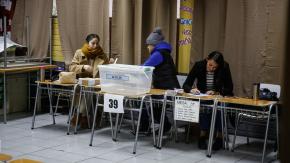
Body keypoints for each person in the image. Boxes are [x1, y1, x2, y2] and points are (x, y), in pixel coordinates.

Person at [183, 51, 233, 150]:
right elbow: (186, 85)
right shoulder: (199, 65)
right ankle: (202, 136)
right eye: (210, 65)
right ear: (207, 59)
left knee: (219, 107)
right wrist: (191, 89)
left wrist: (216, 92)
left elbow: (229, 88)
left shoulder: (224, 67)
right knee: (204, 107)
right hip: (203, 96)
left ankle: (219, 137)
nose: (211, 69)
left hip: (218, 97)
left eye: (215, 67)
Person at [140, 27, 180, 133]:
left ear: (154, 45)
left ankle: (164, 126)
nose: (147, 47)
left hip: (167, 89)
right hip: (167, 87)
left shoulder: (158, 54)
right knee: (152, 102)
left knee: (148, 102)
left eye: (148, 45)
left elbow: (144, 67)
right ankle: (163, 126)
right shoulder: (164, 52)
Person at [69, 33, 112, 128]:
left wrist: (110, 64)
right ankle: (84, 116)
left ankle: (80, 115)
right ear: (87, 43)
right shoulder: (79, 52)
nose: (95, 46)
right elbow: (71, 67)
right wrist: (83, 67)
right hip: (81, 82)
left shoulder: (102, 55)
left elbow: (107, 71)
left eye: (97, 43)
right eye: (93, 43)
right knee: (86, 89)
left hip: (97, 84)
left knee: (89, 89)